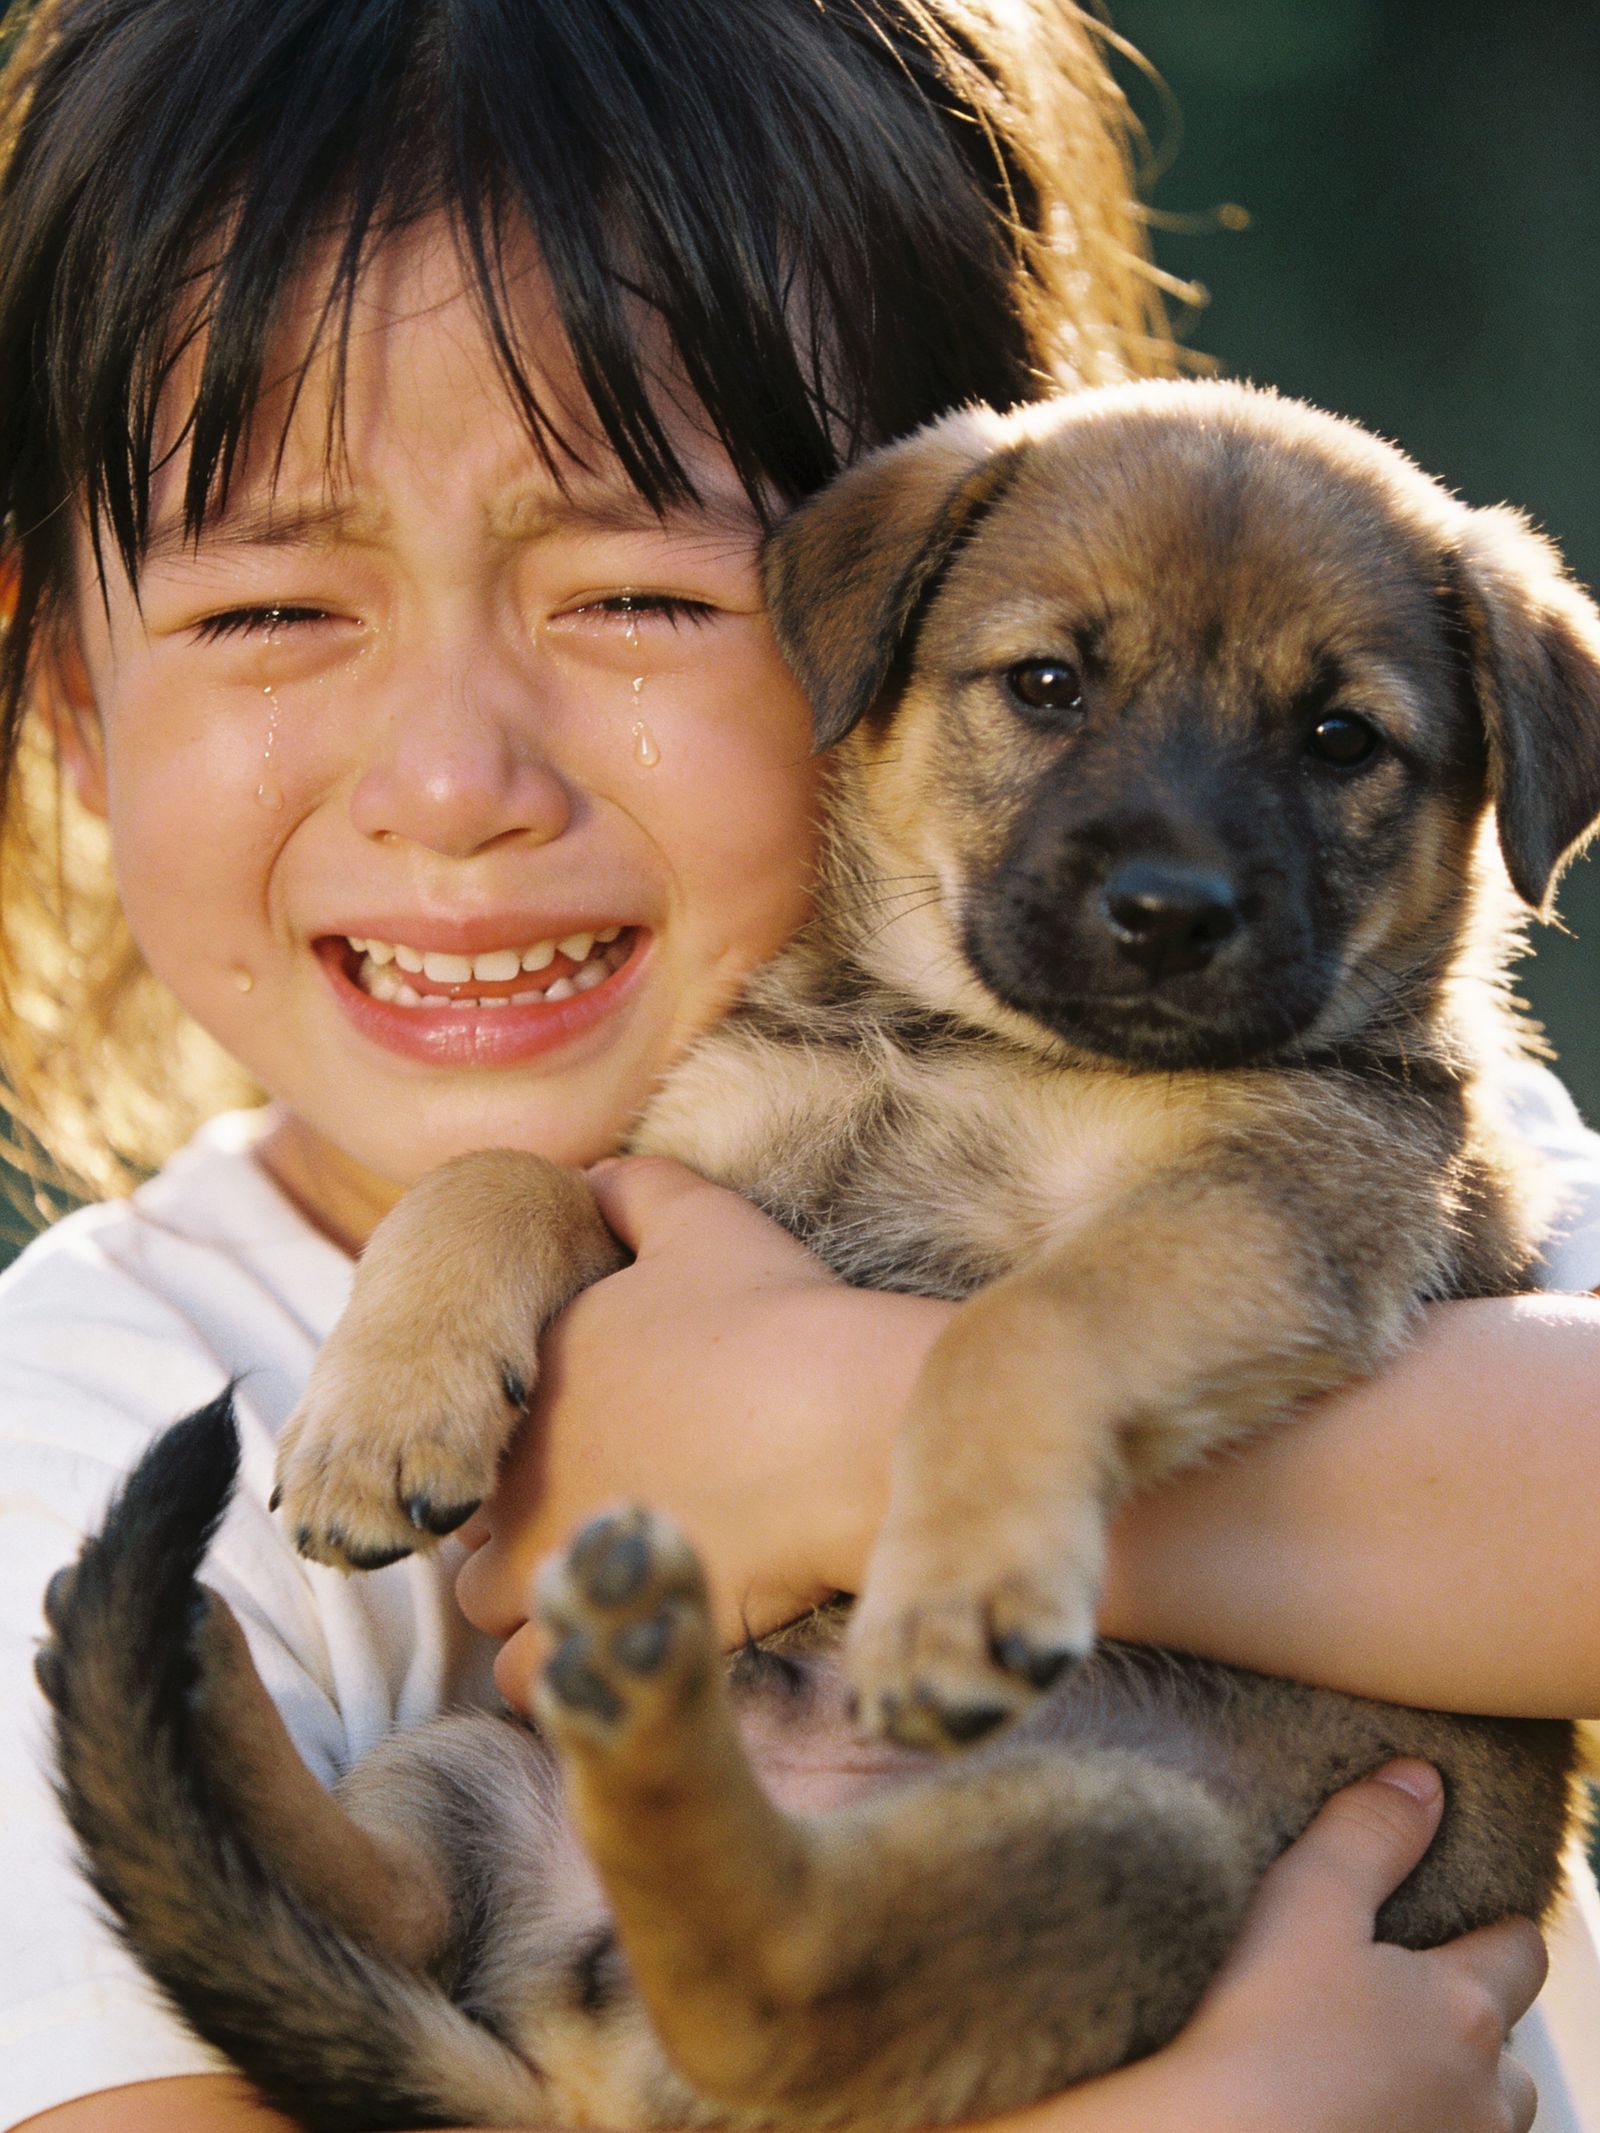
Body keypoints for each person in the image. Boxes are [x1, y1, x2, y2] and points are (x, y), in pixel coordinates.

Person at [0, 2, 1591, 2129]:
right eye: (270, 608)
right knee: (460, 1812)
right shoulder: (78, 1404)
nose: (454, 782)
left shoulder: (1395, 1106)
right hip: (659, 1971)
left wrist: (830, 1426)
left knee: (1107, 1861)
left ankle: (695, 1913)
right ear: (64, 699)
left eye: (642, 596)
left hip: (1087, 1869)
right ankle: (386, 1876)